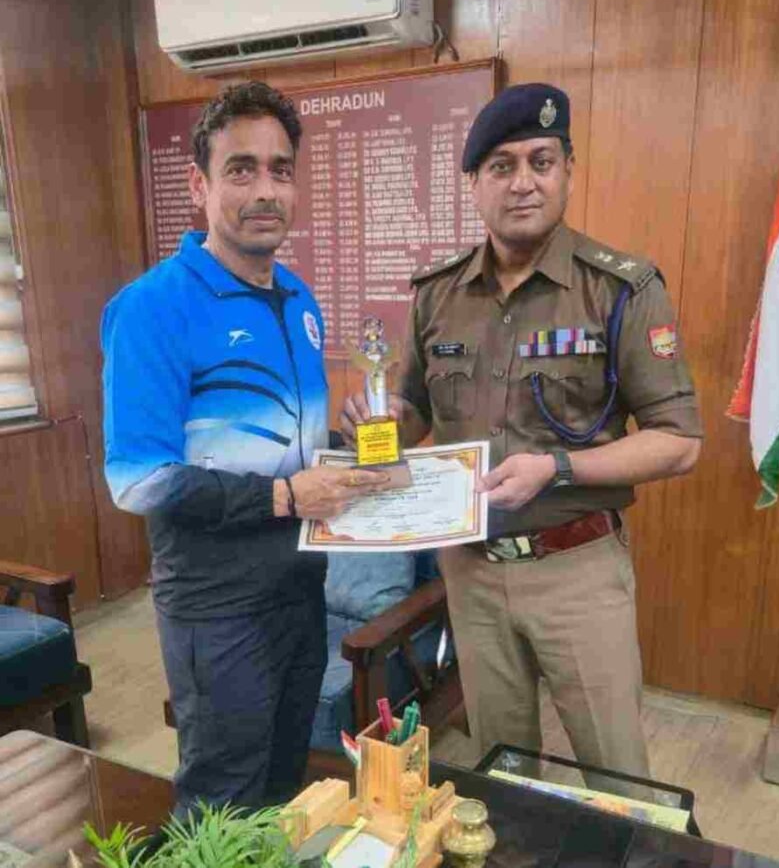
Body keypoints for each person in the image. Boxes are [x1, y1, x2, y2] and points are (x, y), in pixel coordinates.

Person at [341, 83, 702, 786]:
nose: (523, 182)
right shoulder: (438, 294)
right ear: (474, 183)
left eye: (541, 161)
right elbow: (413, 411)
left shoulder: (619, 290)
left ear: (568, 170)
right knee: (501, 770)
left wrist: (557, 468)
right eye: (501, 166)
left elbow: (678, 441)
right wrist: (379, 427)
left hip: (577, 571)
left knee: (617, 776)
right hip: (471, 571)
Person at [102, 81, 386, 814]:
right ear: (199, 186)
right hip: (217, 607)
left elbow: (286, 446)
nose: (265, 190)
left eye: (280, 170)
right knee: (221, 802)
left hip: (301, 589)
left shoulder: (299, 299)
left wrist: (346, 446)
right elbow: (138, 481)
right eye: (241, 169)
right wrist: (286, 496)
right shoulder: (152, 307)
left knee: (285, 787)